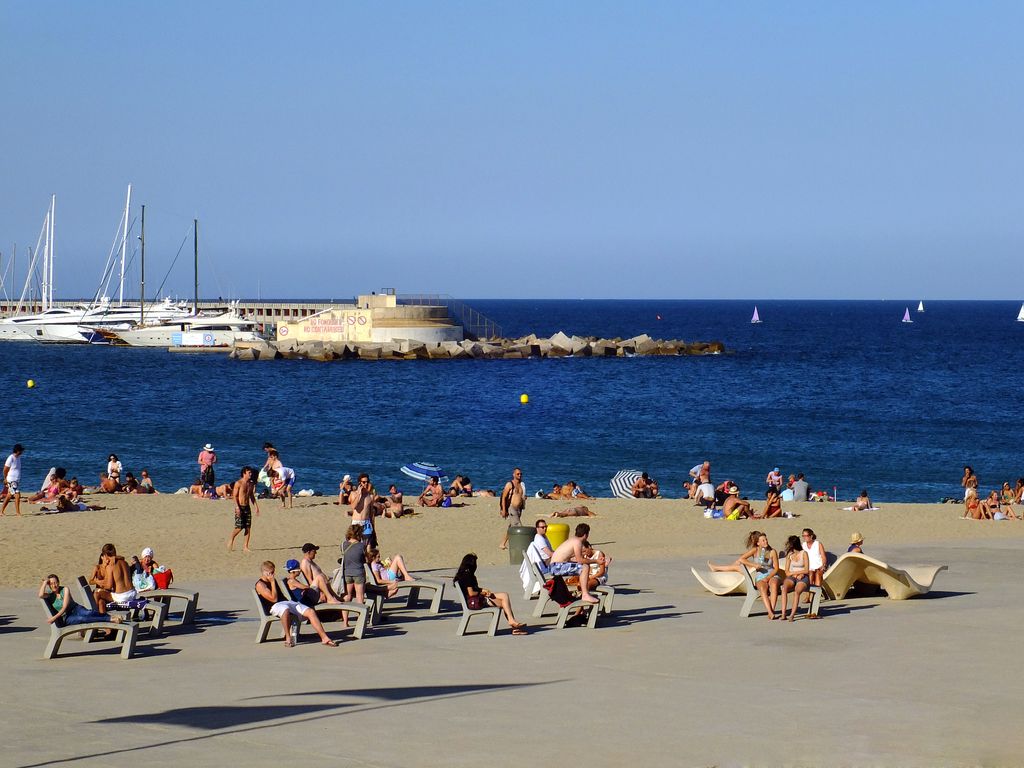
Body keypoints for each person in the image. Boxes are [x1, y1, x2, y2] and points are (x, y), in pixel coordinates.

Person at [254, 561, 337, 647]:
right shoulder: (260, 585)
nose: (273, 575)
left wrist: (272, 581)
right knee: (285, 609)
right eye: (270, 573)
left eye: (273, 572)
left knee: (310, 612)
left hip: (285, 602)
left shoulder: (272, 580)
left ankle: (324, 638)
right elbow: (273, 599)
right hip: (273, 606)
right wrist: (272, 582)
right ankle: (288, 638)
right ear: (264, 572)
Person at [453, 553, 527, 634]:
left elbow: (473, 589)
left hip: (476, 599)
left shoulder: (464, 574)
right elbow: (471, 593)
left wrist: (484, 590)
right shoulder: (467, 576)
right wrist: (483, 593)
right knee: (504, 602)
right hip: (476, 601)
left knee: (504, 596)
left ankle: (512, 622)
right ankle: (513, 625)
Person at [40, 574, 123, 627]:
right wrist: (44, 583)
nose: (54, 585)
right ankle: (109, 619)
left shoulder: (65, 589)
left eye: (56, 583)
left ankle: (109, 617)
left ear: (58, 582)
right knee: (82, 618)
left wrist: (53, 618)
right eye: (51, 583)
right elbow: (40, 595)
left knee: (88, 613)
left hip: (75, 609)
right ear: (49, 585)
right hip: (67, 618)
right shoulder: (49, 595)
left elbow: (64, 607)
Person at [548, 523, 602, 604]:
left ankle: (584, 592)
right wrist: (596, 561)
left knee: (582, 566)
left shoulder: (572, 540)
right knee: (585, 567)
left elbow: (572, 559)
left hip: (554, 566)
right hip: (556, 567)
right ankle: (585, 594)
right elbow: (580, 560)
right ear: (586, 535)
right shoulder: (577, 542)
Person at [740, 532, 781, 620]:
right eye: (763, 540)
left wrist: (768, 577)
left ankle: (772, 611)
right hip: (760, 575)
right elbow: (741, 559)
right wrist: (754, 565)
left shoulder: (772, 551)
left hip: (772, 573)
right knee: (763, 588)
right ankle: (770, 612)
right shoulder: (755, 550)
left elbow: (776, 568)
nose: (765, 541)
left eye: (766, 539)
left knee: (773, 585)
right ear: (758, 543)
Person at [89, 543, 136, 614]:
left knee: (97, 594)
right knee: (101, 601)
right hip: (133, 594)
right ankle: (102, 617)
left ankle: (93, 614)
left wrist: (100, 585)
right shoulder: (125, 562)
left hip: (122, 597)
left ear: (105, 555)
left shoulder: (110, 566)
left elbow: (109, 586)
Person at [779, 535, 811, 622]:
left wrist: (798, 574)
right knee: (784, 588)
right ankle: (783, 613)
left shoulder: (804, 553)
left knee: (797, 591)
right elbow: (787, 571)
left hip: (803, 577)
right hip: (793, 576)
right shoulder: (789, 555)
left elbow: (806, 570)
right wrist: (796, 574)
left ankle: (792, 615)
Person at [227, 466, 260, 552]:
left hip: (247, 507)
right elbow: (234, 496)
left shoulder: (251, 484)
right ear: (244, 473)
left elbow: (251, 496)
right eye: (249, 473)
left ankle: (245, 547)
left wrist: (256, 507)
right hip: (240, 507)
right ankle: (231, 538)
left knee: (248, 527)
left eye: (251, 473)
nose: (250, 474)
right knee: (239, 527)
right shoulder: (239, 483)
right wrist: (237, 507)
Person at [338, 524, 367, 619]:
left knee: (347, 596)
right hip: (358, 572)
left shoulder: (343, 545)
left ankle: (345, 621)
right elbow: (364, 559)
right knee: (360, 597)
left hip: (347, 573)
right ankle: (361, 618)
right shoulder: (362, 545)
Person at [499, 468, 526, 550]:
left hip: (519, 509)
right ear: (513, 474)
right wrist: (503, 510)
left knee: (511, 527)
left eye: (521, 474)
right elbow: (503, 497)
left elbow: (521, 496)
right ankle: (520, 546)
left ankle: (502, 544)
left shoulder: (522, 485)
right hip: (511, 508)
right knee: (518, 526)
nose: (520, 475)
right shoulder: (510, 484)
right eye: (518, 474)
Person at [350, 473, 378, 547]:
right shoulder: (353, 494)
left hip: (367, 523)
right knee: (355, 545)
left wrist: (373, 528)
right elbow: (353, 506)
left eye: (367, 482)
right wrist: (359, 495)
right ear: (360, 483)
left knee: (368, 546)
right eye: (364, 482)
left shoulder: (370, 496)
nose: (366, 484)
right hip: (356, 523)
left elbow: (371, 513)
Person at [801, 528, 826, 609]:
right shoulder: (803, 545)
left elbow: (823, 556)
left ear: (811, 536)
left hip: (818, 566)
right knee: (810, 574)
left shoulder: (818, 544)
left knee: (817, 574)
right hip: (808, 567)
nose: (805, 537)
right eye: (803, 536)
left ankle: (815, 596)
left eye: (806, 536)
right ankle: (808, 596)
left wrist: (823, 565)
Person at [1, 443, 25, 516]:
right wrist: (5, 479)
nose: (22, 452)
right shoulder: (10, 458)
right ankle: (17, 512)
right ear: (17, 451)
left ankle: (1, 511)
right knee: (17, 494)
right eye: (21, 451)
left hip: (16, 480)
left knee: (9, 496)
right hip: (11, 480)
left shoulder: (18, 458)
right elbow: (5, 470)